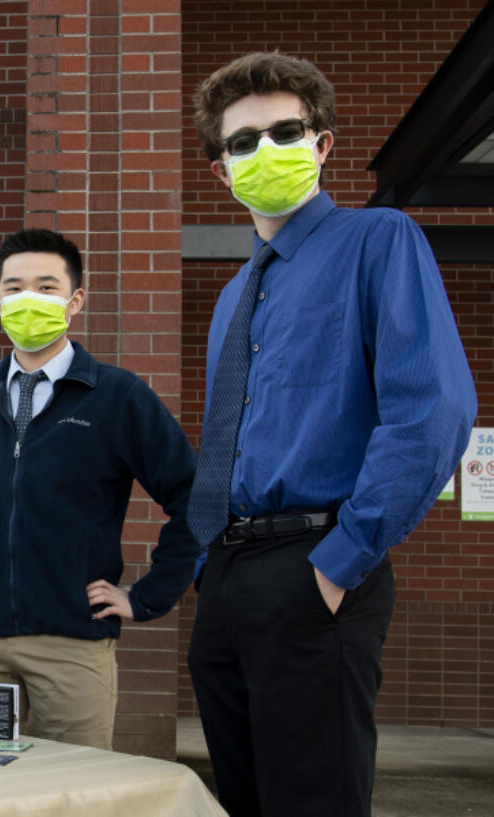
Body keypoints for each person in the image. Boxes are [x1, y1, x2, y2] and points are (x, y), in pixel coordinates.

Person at [186, 52, 477, 817]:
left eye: (287, 130)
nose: (266, 150)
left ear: (323, 145)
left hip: (314, 568)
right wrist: (204, 569)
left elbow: (431, 411)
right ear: (220, 171)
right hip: (227, 576)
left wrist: (339, 563)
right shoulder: (231, 298)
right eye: (243, 141)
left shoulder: (379, 241)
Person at [0, 228, 198, 749]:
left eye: (45, 286)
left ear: (75, 300)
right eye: (14, 288)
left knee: (73, 790)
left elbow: (194, 495)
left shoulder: (117, 396)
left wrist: (149, 596)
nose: (27, 300)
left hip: (72, 644)